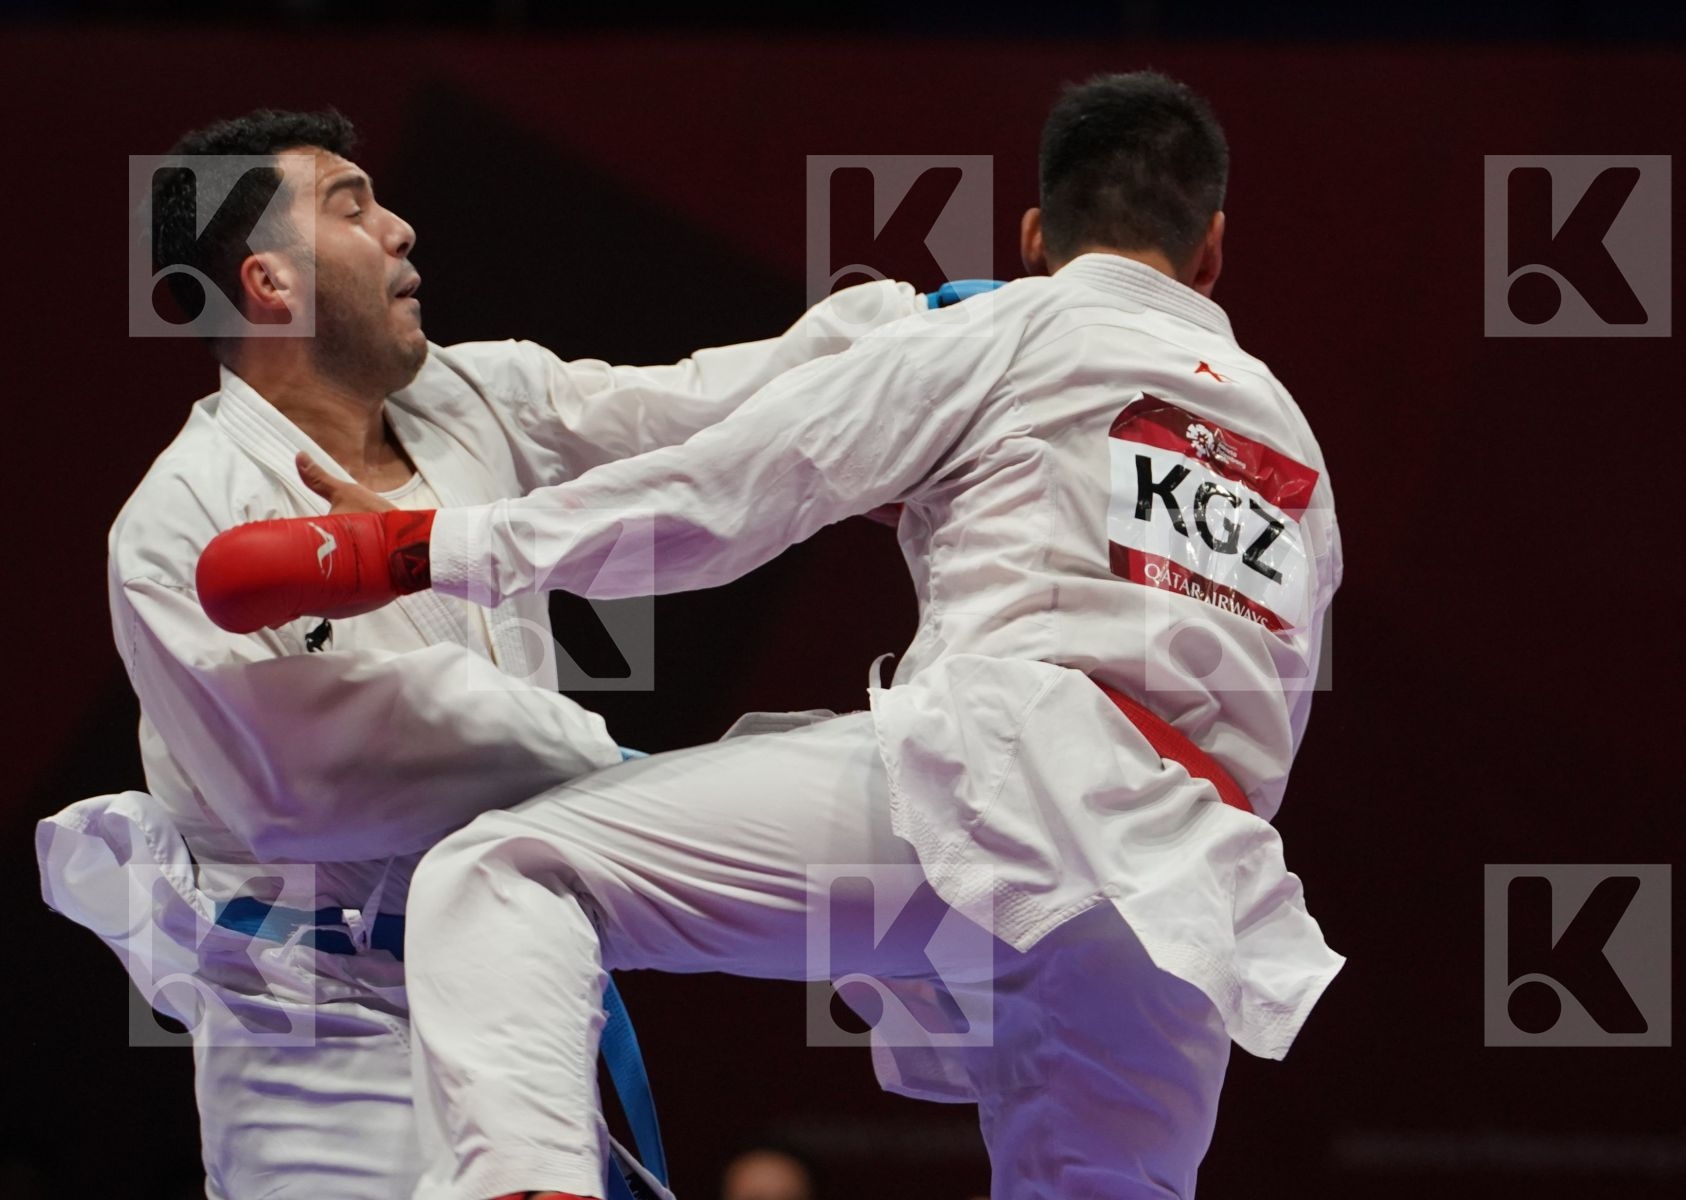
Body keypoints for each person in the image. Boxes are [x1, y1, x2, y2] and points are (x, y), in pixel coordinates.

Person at [199, 72, 1346, 1200]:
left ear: (1037, 231)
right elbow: (1273, 696)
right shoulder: (1294, 447)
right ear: (1211, 253)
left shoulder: (1015, 325)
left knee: (507, 870)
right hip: (1186, 891)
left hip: (1002, 787)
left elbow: (726, 495)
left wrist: (410, 550)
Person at [35, 107, 934, 1200]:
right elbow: (318, 787)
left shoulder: (473, 396)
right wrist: (653, 794)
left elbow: (692, 408)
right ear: (271, 284)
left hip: (519, 985)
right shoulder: (184, 522)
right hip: (322, 1028)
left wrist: (908, 335)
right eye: (352, 208)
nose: (402, 229)